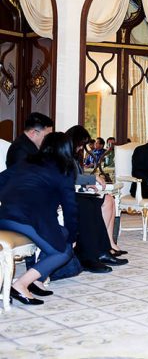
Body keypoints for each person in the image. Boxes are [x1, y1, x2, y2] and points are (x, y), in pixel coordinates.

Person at [0, 132, 77, 305]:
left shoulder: (26, 161)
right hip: (29, 220)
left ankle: (37, 280)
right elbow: (70, 207)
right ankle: (20, 285)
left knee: (62, 232)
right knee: (63, 251)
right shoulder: (64, 168)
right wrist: (74, 237)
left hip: (5, 215)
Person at [67, 126, 127, 273]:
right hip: (69, 194)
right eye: (81, 144)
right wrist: (91, 179)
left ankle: (106, 246)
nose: (82, 148)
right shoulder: (64, 155)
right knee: (91, 204)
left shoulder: (74, 155)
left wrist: (87, 184)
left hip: (76, 192)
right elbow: (70, 177)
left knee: (107, 199)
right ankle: (95, 252)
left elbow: (75, 177)